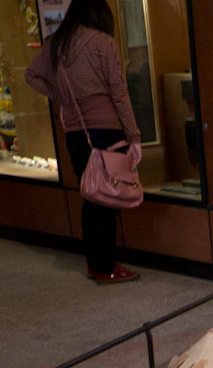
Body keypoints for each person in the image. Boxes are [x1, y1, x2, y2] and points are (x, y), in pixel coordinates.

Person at [25, 0, 141, 285]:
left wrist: (64, 98)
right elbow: (119, 94)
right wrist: (134, 136)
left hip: (76, 135)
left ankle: (96, 263)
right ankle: (106, 267)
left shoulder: (56, 44)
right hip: (106, 132)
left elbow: (31, 76)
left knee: (91, 196)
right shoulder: (104, 43)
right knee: (107, 201)